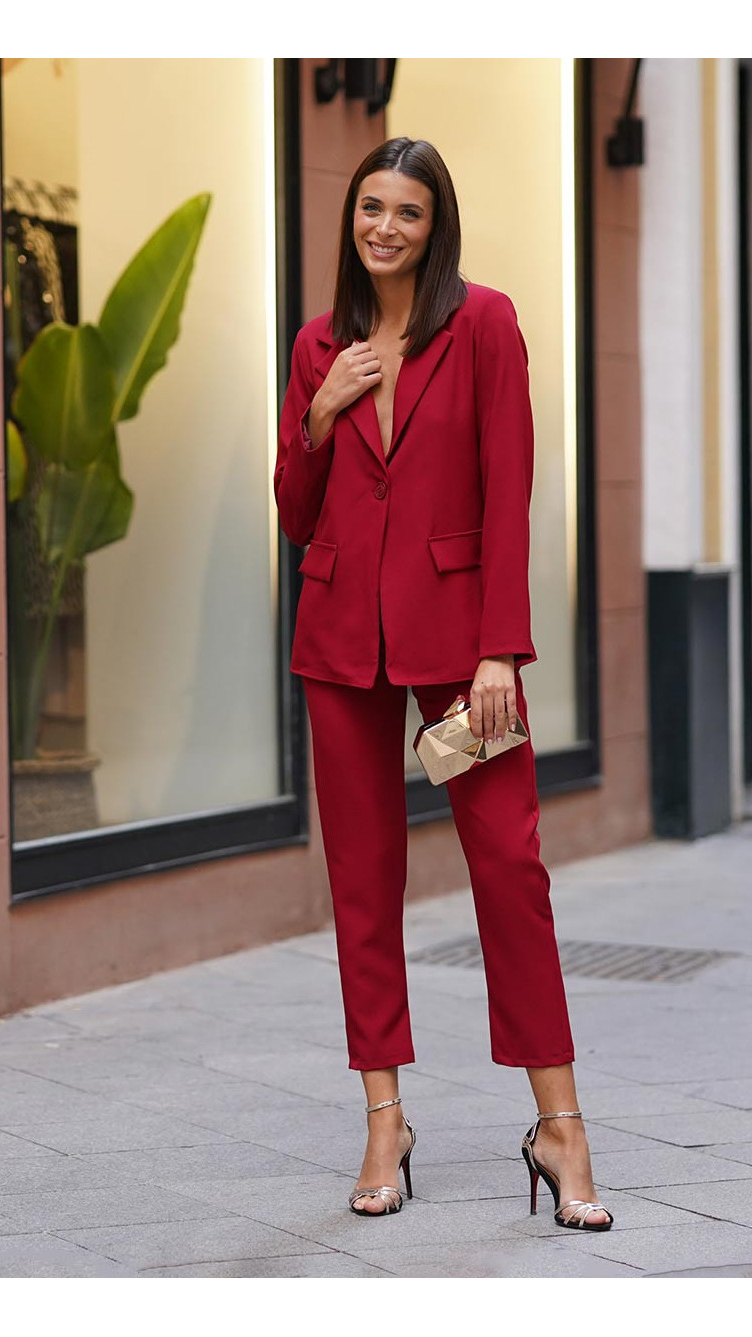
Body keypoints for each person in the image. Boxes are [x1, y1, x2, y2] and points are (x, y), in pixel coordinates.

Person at [273, 137, 612, 1232]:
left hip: (459, 642)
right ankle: (384, 1115)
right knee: (360, 882)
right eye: (369, 207)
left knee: (509, 862)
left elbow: (505, 487)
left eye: (405, 212)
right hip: (338, 637)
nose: (382, 226)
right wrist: (320, 408)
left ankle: (558, 1124)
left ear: (435, 224)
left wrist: (500, 646)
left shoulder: (484, 324)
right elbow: (294, 508)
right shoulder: (317, 340)